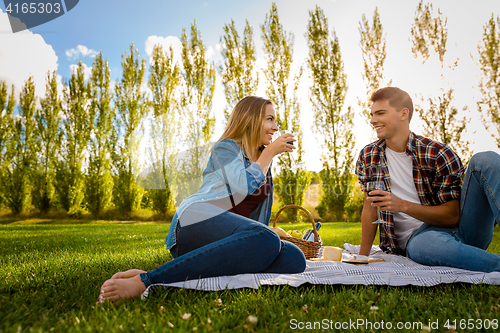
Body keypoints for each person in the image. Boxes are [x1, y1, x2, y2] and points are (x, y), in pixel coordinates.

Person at [98, 96, 306, 303]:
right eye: (270, 119)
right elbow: (242, 186)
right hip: (195, 221)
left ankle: (176, 272)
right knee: (268, 238)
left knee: (294, 258)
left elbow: (254, 222)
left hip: (229, 240)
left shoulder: (263, 161)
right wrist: (269, 154)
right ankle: (147, 281)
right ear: (250, 119)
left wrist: (260, 245)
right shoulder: (226, 148)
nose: (275, 127)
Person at [355, 86, 500, 272]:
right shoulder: (369, 156)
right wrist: (362, 256)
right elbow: (370, 208)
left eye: (380, 113)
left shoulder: (437, 153)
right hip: (419, 240)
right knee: (424, 244)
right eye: (372, 114)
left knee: (485, 160)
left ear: (403, 114)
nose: (373, 120)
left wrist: (401, 205)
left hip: (465, 230)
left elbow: (452, 216)